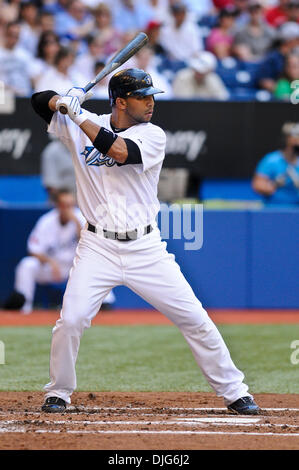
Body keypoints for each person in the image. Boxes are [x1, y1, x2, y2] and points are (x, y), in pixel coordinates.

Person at [31, 67, 260, 415]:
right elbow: (36, 103)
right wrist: (61, 99)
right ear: (121, 101)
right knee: (71, 320)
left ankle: (234, 391)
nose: (150, 102)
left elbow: (119, 151)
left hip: (145, 249)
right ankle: (58, 392)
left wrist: (76, 114)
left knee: (194, 318)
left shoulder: (152, 135)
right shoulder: (79, 123)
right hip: (97, 247)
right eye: (142, 97)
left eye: (151, 95)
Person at [3, 190, 85, 314]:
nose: (68, 209)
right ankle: (24, 310)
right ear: (58, 206)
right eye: (64, 205)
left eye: (71, 205)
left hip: (73, 267)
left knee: (95, 266)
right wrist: (50, 262)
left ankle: (102, 307)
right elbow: (33, 250)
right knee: (27, 264)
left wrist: (76, 223)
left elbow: (87, 245)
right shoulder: (47, 221)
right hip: (50, 267)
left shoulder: (81, 218)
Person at [252, 122, 299, 205]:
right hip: (274, 209)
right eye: (295, 137)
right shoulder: (272, 160)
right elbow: (258, 185)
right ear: (287, 139)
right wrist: (274, 184)